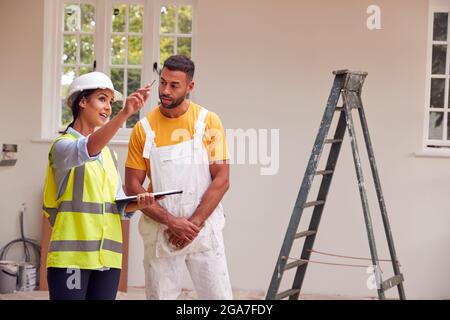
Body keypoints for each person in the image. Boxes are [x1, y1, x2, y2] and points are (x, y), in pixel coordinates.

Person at [125, 55, 233, 300]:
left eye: (174, 85)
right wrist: (172, 222)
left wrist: (191, 225)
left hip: (204, 229)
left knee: (219, 298)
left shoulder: (208, 121)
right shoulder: (144, 129)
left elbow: (222, 179)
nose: (165, 90)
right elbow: (132, 185)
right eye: (162, 82)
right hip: (162, 230)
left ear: (190, 87)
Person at [42, 71, 155, 300]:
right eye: (102, 99)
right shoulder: (62, 147)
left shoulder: (109, 156)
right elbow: (86, 149)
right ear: (82, 101)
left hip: (108, 259)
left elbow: (118, 207)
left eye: (111, 102)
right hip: (72, 258)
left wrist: (141, 202)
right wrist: (125, 114)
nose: (108, 107)